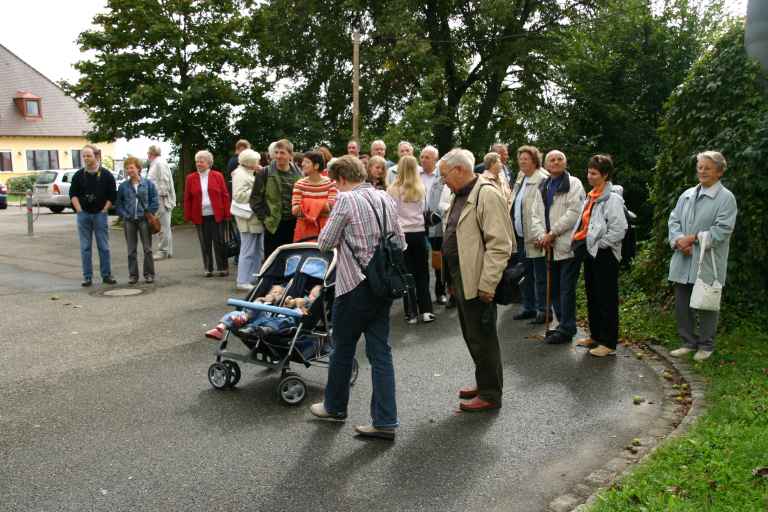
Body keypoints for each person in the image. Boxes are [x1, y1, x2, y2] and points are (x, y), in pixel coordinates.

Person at [309, 155, 405, 441]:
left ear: (339, 179)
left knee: (342, 348)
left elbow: (324, 242)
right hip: (383, 285)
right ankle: (385, 421)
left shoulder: (346, 200)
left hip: (353, 286)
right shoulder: (384, 197)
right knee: (380, 353)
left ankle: (335, 406)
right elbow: (401, 241)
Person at [441, 149, 514, 412]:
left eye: (444, 176)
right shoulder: (461, 193)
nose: (443, 181)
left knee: (483, 335)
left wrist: (487, 283)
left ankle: (490, 394)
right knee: (473, 333)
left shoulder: (487, 194)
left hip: (477, 278)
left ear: (459, 169)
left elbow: (500, 245)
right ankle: (484, 382)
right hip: (461, 275)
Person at [667, 151, 737, 362]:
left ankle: (706, 345)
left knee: (707, 302)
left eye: (707, 167)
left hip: (708, 260)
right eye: (700, 167)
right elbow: (673, 220)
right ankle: (688, 342)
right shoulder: (687, 194)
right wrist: (679, 240)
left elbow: (723, 230)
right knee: (682, 301)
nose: (702, 171)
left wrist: (694, 240)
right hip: (683, 256)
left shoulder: (726, 198)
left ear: (719, 171)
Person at [570, 155, 628, 357]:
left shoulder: (612, 199)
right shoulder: (591, 195)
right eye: (588, 172)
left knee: (607, 298)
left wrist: (599, 244)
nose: (589, 176)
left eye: (594, 173)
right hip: (590, 252)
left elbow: (619, 229)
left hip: (605, 254)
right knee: (592, 295)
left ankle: (609, 343)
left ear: (605, 175)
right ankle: (595, 335)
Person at [530, 150, 586, 345]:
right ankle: (562, 324)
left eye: (559, 159)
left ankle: (567, 327)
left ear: (565, 162)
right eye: (551, 160)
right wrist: (541, 236)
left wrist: (552, 233)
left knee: (566, 288)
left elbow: (574, 213)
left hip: (567, 244)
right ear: (546, 164)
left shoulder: (574, 184)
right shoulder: (543, 186)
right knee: (552, 288)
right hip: (549, 246)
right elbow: (535, 214)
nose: (555, 162)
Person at [389, 155, 435, 324]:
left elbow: (392, 215)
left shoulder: (393, 189)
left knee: (407, 274)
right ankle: (427, 310)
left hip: (402, 234)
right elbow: (425, 210)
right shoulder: (420, 187)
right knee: (422, 272)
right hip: (419, 232)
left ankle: (411, 313)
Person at [510, 145, 549, 323]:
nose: (522, 162)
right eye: (520, 159)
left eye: (526, 158)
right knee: (526, 274)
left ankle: (543, 311)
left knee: (540, 275)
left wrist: (539, 234)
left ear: (535, 160)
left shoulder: (542, 179)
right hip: (521, 235)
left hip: (535, 236)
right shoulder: (521, 177)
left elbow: (545, 210)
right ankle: (529, 307)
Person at [69, 144, 117, 287]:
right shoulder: (78, 175)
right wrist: (79, 210)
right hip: (84, 215)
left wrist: (104, 210)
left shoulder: (106, 175)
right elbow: (73, 195)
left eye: (88, 155)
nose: (86, 158)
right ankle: (87, 277)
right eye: (83, 156)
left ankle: (106, 275)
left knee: (104, 246)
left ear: (96, 156)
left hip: (100, 215)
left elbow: (112, 195)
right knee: (85, 247)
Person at [205, 284, 322, 340]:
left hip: (271, 323)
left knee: (285, 320)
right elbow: (255, 305)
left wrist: (295, 303)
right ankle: (220, 328)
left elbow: (303, 314)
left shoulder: (300, 304)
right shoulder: (264, 300)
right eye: (274, 291)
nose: (276, 294)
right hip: (253, 318)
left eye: (280, 292)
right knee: (246, 310)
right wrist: (262, 300)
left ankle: (254, 329)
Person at [184, 150, 231, 277]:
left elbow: (225, 195)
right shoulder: (190, 178)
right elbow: (187, 198)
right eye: (197, 161)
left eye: (201, 161)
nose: (198, 164)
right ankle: (208, 268)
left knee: (219, 242)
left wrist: (227, 213)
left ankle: (223, 267)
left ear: (209, 163)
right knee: (205, 243)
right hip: (200, 216)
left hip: (217, 214)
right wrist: (188, 216)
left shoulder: (218, 176)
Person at [253, 139, 303, 258]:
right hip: (273, 224)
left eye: (282, 153)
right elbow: (255, 199)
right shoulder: (265, 172)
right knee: (272, 261)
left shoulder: (299, 174)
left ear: (290, 155)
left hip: (293, 223)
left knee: (292, 259)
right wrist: (265, 218)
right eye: (276, 152)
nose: (278, 156)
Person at [115, 156, 159, 284]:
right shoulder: (123, 186)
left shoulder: (148, 184)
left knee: (147, 249)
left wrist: (149, 214)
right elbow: (119, 204)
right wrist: (124, 215)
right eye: (127, 168)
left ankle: (149, 274)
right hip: (129, 221)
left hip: (144, 220)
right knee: (131, 250)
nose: (129, 170)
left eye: (132, 168)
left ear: (138, 168)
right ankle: (133, 275)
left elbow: (154, 201)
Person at [231, 149, 265, 291]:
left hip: (254, 217)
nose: (258, 163)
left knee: (257, 250)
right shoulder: (240, 174)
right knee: (248, 250)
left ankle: (253, 277)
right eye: (256, 161)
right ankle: (242, 280)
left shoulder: (247, 173)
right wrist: (258, 191)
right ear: (250, 162)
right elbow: (238, 196)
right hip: (248, 217)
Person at [421, 145, 448, 305]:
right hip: (418, 222)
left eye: (427, 157)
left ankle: (440, 291)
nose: (423, 160)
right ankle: (423, 296)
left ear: (435, 160)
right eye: (422, 156)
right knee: (421, 260)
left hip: (436, 222)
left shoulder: (442, 176)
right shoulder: (416, 175)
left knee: (438, 259)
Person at [292, 151, 337, 241]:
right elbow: (295, 210)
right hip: (304, 232)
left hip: (326, 230)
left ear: (316, 166)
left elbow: (332, 208)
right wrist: (321, 206)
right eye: (303, 161)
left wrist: (306, 205)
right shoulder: (299, 184)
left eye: (307, 162)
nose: (303, 164)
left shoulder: (331, 184)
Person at [146, 144, 176, 260]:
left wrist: (161, 196)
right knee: (165, 226)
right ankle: (168, 251)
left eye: (148, 153)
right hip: (159, 198)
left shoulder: (159, 163)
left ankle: (163, 251)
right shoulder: (157, 163)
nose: (147, 155)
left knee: (162, 226)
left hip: (161, 199)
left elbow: (164, 180)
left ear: (151, 153)